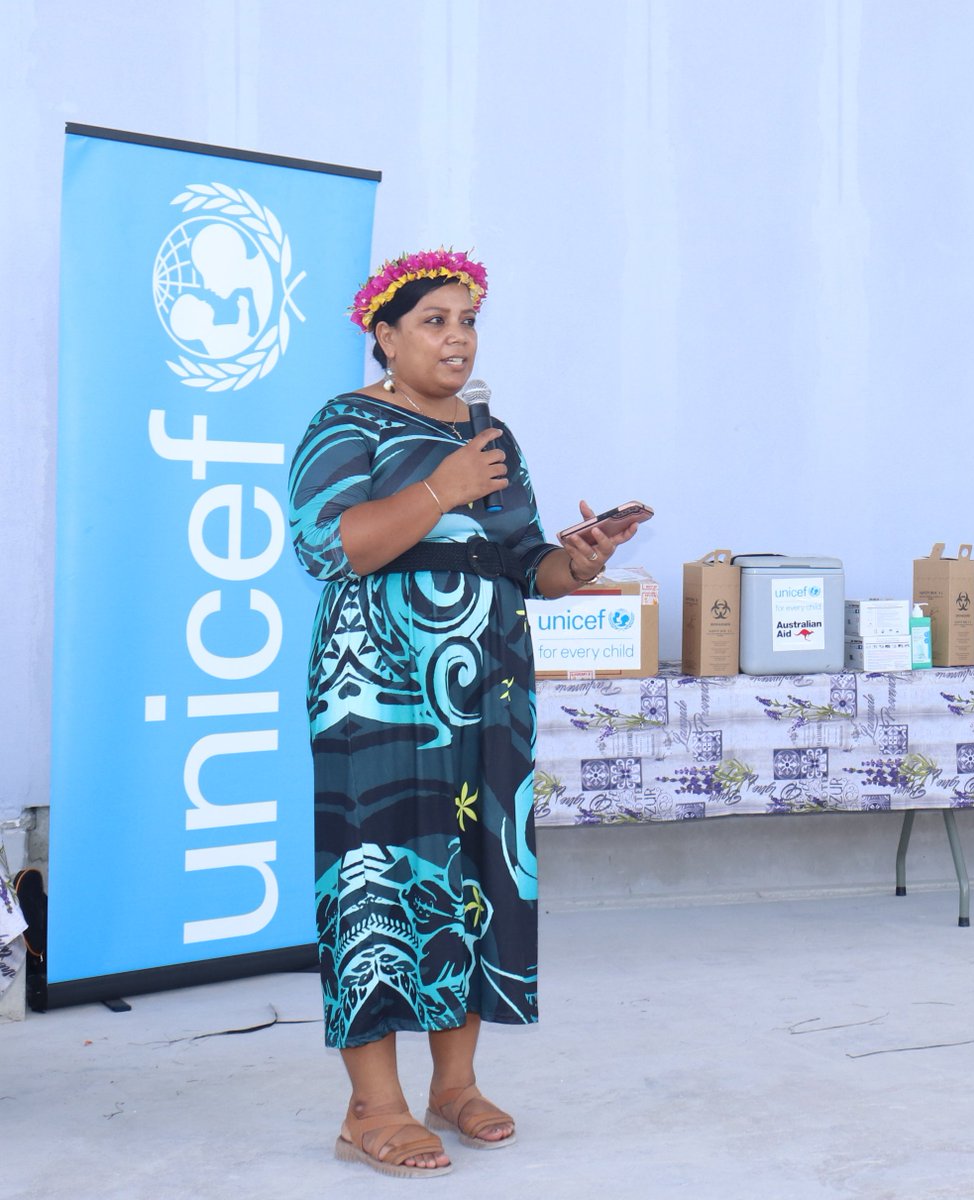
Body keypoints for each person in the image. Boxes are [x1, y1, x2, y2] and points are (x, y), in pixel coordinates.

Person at [288, 248, 641, 1178]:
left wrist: (585, 556)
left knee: (474, 871)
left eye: (467, 321)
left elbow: (529, 565)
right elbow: (330, 545)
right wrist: (441, 486)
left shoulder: (494, 437)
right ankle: (372, 1107)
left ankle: (454, 1084)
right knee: (375, 879)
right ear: (385, 336)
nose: (457, 337)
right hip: (379, 690)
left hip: (488, 691)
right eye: (434, 321)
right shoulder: (346, 424)